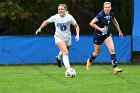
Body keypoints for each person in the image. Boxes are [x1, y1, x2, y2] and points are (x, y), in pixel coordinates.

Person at [35, 4, 80, 69]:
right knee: (65, 52)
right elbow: (46, 21)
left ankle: (58, 58)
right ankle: (68, 69)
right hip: (58, 37)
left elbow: (76, 26)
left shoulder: (69, 17)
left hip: (68, 37)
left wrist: (77, 34)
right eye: (59, 9)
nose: (60, 10)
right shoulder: (55, 17)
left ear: (65, 10)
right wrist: (40, 28)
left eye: (62, 9)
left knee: (65, 51)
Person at [86, 2, 123, 74]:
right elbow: (91, 23)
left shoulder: (111, 14)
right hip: (98, 35)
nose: (107, 8)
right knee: (97, 53)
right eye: (106, 7)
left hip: (106, 34)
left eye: (108, 7)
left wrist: (119, 31)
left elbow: (115, 22)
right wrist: (100, 29)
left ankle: (115, 68)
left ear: (110, 8)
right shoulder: (100, 15)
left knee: (112, 49)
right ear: (103, 8)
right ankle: (89, 60)